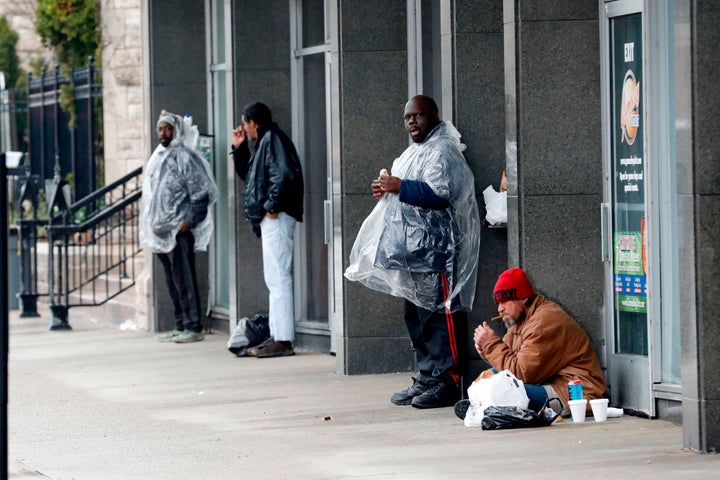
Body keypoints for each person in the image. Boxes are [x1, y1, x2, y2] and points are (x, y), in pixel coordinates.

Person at [344, 95, 481, 409]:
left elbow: (442, 193)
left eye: (417, 116)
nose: (412, 123)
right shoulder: (414, 152)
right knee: (415, 315)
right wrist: (388, 188)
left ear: (433, 115)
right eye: (407, 118)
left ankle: (448, 379)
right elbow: (403, 188)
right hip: (413, 250)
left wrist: (399, 186)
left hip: (437, 250)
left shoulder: (442, 150)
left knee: (439, 315)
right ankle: (427, 375)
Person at [461, 267, 606, 418]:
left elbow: (521, 373)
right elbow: (509, 363)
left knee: (504, 388)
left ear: (523, 298)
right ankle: (481, 404)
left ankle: (482, 405)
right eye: (498, 303)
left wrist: (490, 344)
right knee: (491, 376)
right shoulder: (520, 319)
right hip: (549, 382)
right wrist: (485, 349)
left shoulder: (543, 321)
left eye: (505, 301)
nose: (500, 309)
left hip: (576, 393)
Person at [231, 102, 304, 358]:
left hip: (277, 216)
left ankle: (283, 339)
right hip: (272, 217)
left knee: (278, 278)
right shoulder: (266, 142)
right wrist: (240, 150)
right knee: (275, 278)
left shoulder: (272, 140)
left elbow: (284, 176)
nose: (245, 129)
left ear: (253, 123)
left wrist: (272, 206)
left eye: (245, 123)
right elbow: (252, 179)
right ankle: (277, 335)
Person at [140, 111, 218, 343]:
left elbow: (200, 192)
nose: (163, 134)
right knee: (172, 281)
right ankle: (180, 323)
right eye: (160, 129)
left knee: (184, 279)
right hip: (161, 232)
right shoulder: (160, 157)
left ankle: (193, 325)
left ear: (176, 130)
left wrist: (188, 222)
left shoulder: (184, 157)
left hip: (178, 231)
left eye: (168, 129)